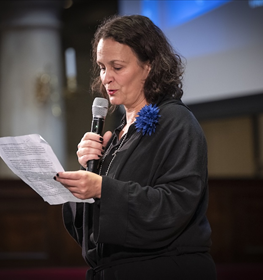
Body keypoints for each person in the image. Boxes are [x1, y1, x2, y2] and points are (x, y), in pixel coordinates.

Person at [55, 15, 217, 280]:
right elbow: (93, 231)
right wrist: (85, 175)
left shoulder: (176, 122)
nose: (106, 78)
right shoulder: (115, 134)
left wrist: (101, 188)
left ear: (149, 66)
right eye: (102, 67)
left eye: (117, 67)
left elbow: (175, 205)